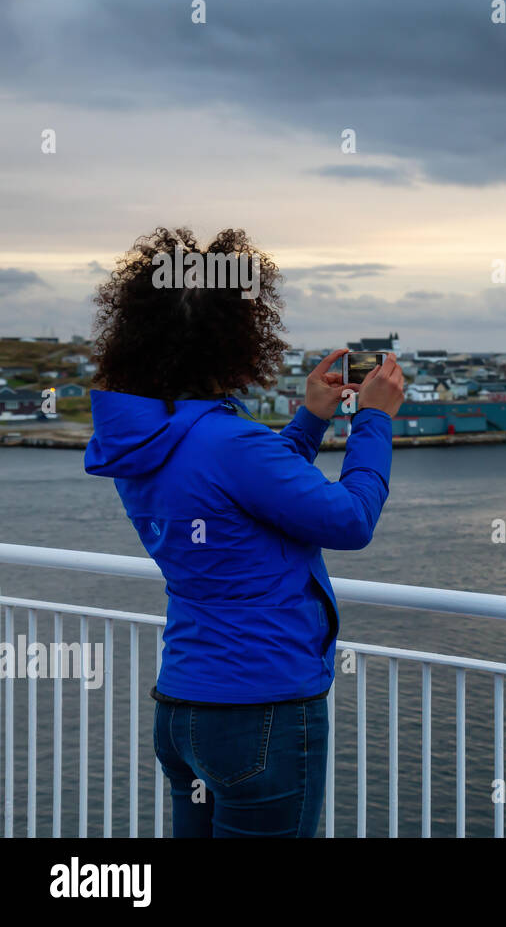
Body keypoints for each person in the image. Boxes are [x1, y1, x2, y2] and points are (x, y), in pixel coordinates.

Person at [84, 226, 404, 837]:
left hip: (185, 706)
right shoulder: (229, 442)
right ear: (235, 338)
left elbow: (246, 488)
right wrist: (373, 422)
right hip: (263, 709)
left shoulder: (145, 440)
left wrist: (311, 421)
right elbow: (350, 520)